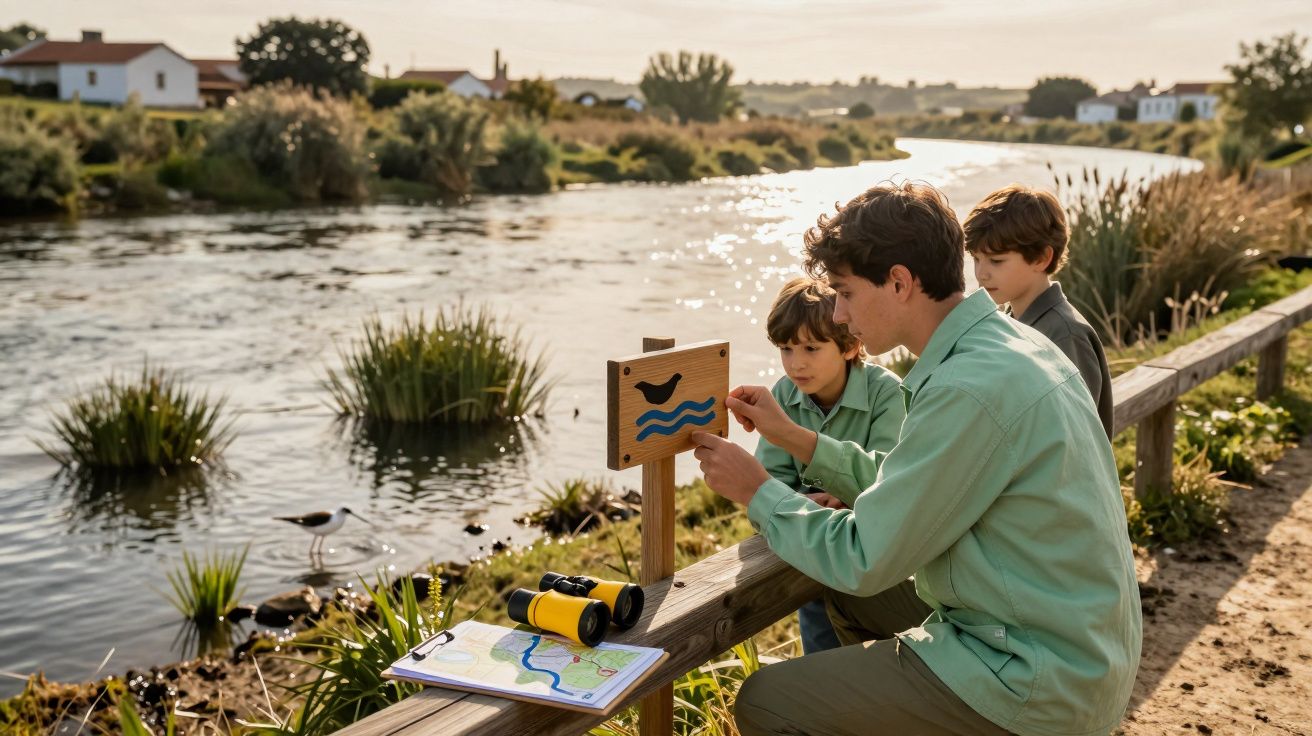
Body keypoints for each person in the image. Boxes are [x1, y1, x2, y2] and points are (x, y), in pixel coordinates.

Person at [690, 181, 1141, 736]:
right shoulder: (1011, 344)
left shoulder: (965, 387)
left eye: (845, 292)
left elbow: (863, 556)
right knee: (853, 603)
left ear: (900, 283)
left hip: (1034, 674)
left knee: (766, 701)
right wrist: (795, 437)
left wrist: (758, 492)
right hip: (1079, 645)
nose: (838, 312)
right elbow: (916, 484)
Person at [758, 276, 906, 654]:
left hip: (874, 551)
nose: (796, 363)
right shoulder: (782, 395)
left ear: (850, 345)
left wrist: (843, 498)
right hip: (808, 541)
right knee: (819, 641)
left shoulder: (887, 392)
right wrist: (802, 503)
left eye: (811, 348)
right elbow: (769, 479)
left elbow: (890, 478)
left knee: (878, 651)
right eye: (786, 349)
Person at [965, 184, 1114, 439]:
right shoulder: (1008, 324)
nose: (981, 273)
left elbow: (1076, 438)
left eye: (996, 261)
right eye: (976, 259)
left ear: (1042, 258)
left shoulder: (1066, 335)